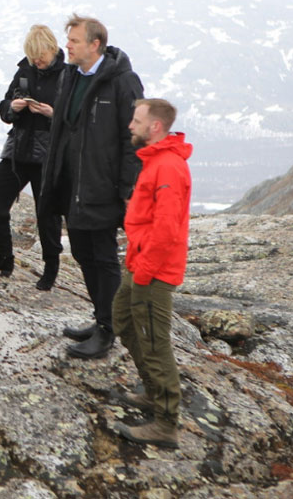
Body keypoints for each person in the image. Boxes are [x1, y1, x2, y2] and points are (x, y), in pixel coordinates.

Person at [40, 14, 143, 359]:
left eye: (73, 40)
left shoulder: (122, 82)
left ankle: (109, 330)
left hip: (101, 186)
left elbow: (133, 140)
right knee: (83, 253)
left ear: (95, 44)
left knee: (102, 256)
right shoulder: (70, 76)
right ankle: (101, 318)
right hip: (72, 185)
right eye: (68, 39)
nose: (66, 45)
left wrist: (128, 188)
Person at [112, 98, 191, 449]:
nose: (131, 125)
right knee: (124, 321)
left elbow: (167, 229)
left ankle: (165, 423)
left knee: (155, 343)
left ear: (154, 127)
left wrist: (144, 272)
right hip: (138, 261)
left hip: (153, 271)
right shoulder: (155, 161)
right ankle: (151, 391)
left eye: (136, 120)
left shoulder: (169, 167)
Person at [0, 25, 65, 290]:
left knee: (47, 213)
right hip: (19, 150)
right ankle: (5, 257)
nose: (37, 61)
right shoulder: (24, 71)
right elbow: (4, 110)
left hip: (48, 154)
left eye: (41, 56)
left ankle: (51, 269)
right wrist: (13, 108)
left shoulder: (67, 76)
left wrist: (53, 114)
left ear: (52, 49)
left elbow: (76, 119)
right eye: (33, 56)